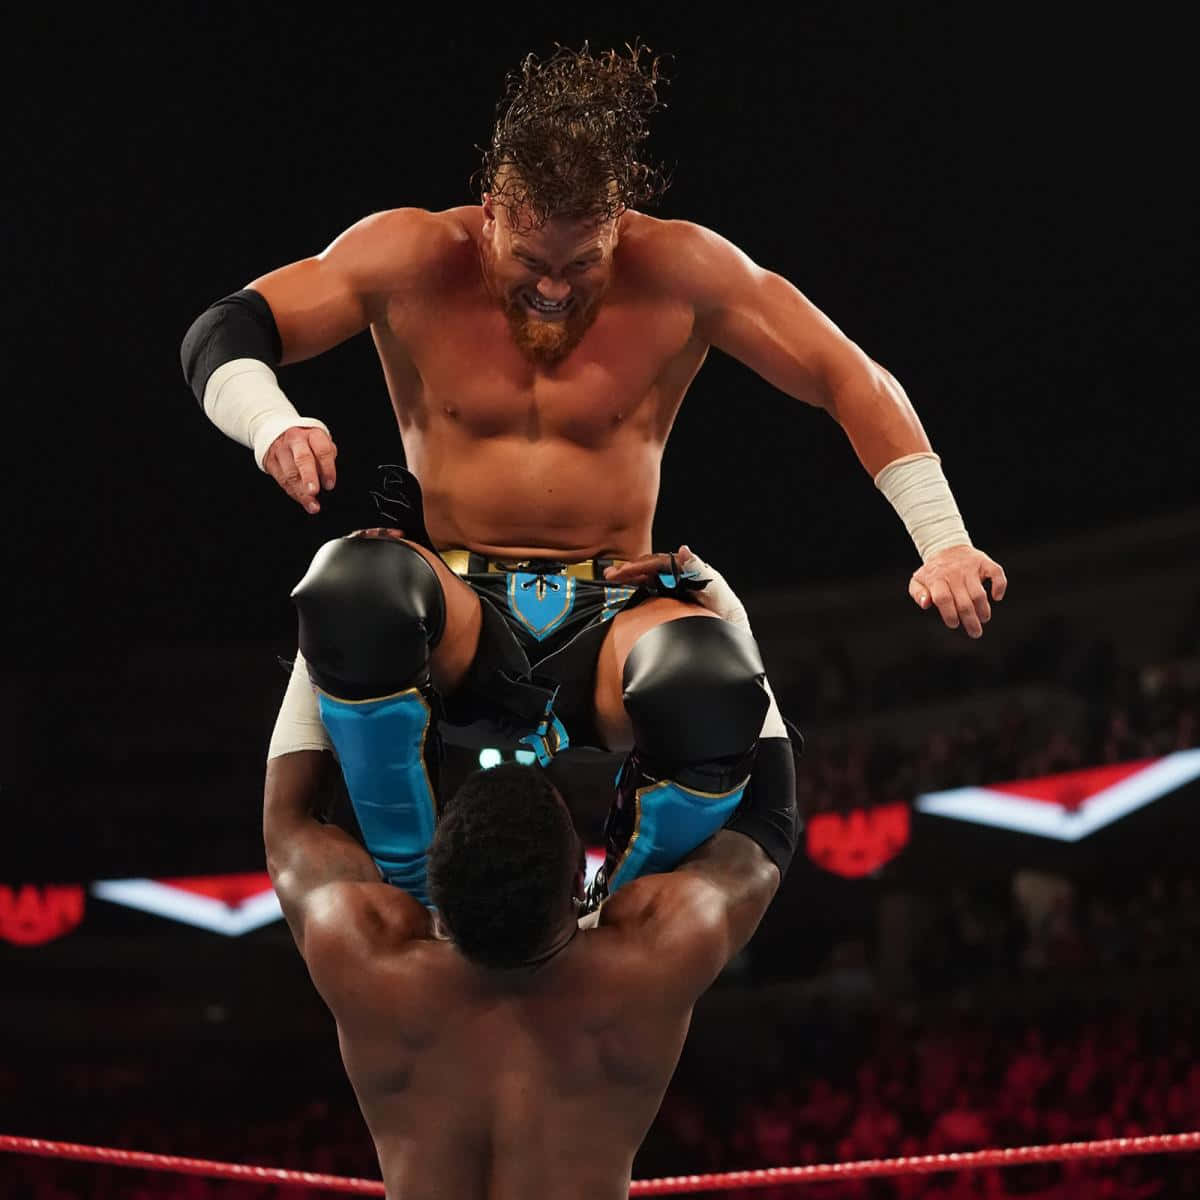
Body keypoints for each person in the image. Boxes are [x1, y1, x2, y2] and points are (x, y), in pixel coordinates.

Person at [184, 44, 1006, 901]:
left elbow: (847, 373)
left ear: (618, 224)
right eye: (530, 261)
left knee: (711, 685)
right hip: (455, 606)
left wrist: (943, 540)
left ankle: (608, 916)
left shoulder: (682, 271)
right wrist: (271, 422)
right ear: (491, 213)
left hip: (612, 607)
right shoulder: (412, 256)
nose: (553, 289)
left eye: (582, 264)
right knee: (353, 589)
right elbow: (225, 328)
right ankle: (421, 891)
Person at [264, 552, 800, 1200]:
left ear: (436, 882)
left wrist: (337, 634)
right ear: (579, 883)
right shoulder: (652, 963)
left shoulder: (362, 957)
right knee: (703, 686)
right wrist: (725, 618)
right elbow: (768, 824)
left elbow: (290, 822)